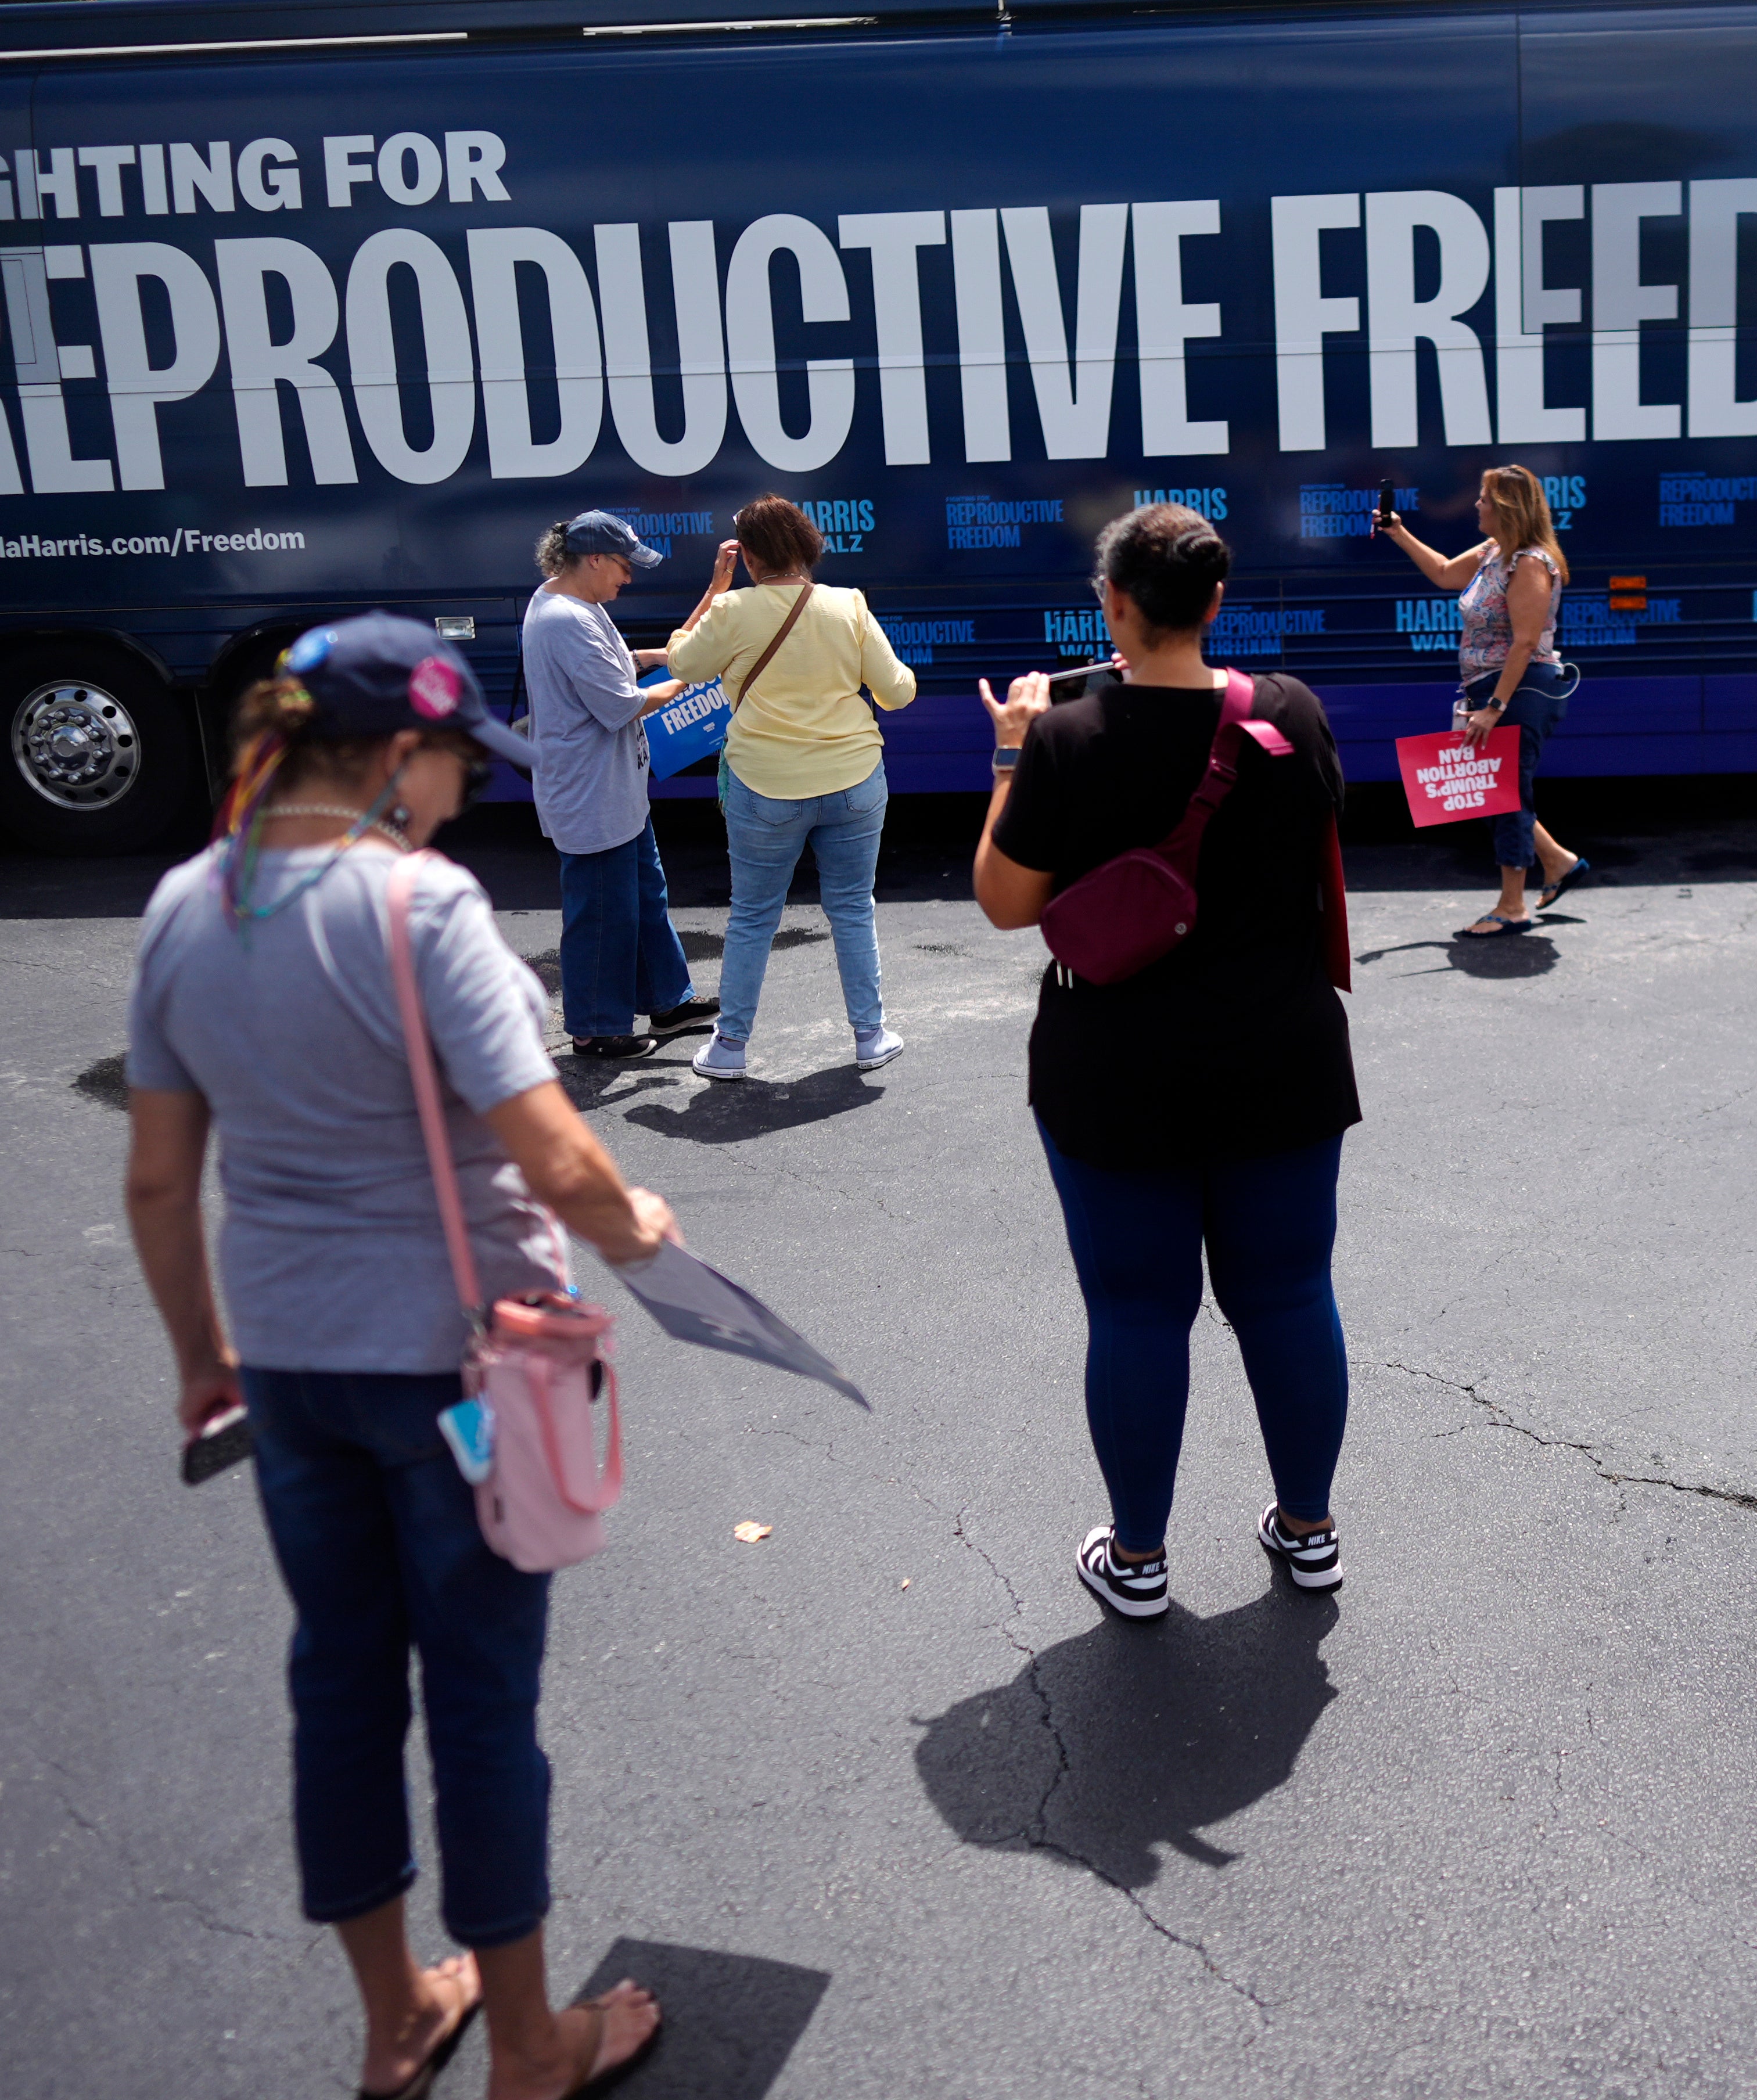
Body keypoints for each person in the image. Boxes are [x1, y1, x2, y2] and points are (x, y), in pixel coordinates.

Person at [123, 612, 668, 2100]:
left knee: (342, 1687)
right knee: (481, 1704)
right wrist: (641, 1223)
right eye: (454, 763)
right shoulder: (421, 911)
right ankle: (533, 2046)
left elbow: (162, 1183)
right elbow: (555, 1159)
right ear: (391, 755)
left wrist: (202, 1356)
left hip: (289, 1372)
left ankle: (393, 2020)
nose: (465, 794)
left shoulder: (188, 904)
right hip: (455, 1373)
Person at [970, 504, 1359, 1619]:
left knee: (1139, 1313)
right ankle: (1310, 1531)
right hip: (1282, 1056)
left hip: (1117, 1070)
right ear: (1216, 603)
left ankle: (1137, 1562)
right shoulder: (1291, 712)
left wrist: (1009, 754)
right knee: (1289, 1295)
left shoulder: (1066, 740)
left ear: (1117, 608)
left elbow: (1006, 903)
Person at [659, 494, 920, 1080]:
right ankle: (871, 1036)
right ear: (807, 545)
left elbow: (681, 663)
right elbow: (897, 692)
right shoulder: (848, 606)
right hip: (854, 778)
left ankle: (730, 1049)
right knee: (853, 908)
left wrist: (713, 591)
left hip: (765, 783)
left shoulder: (733, 612)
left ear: (748, 558)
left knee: (754, 915)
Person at [1377, 464, 1590, 938]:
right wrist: (1398, 532)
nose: (1477, 505)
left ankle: (1512, 907)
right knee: (1491, 789)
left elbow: (1524, 641)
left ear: (1508, 508)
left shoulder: (1529, 563)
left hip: (1519, 691)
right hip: (1491, 689)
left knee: (1508, 796)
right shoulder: (1496, 551)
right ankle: (1560, 864)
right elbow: (1444, 573)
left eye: (1485, 499)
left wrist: (1494, 707)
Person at [521, 510, 703, 1062]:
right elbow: (619, 702)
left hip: (613, 788)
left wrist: (656, 657)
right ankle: (596, 1029)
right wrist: (688, 678)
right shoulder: (566, 620)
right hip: (591, 793)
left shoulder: (568, 602)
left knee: (645, 896)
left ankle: (667, 1001)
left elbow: (613, 664)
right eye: (624, 565)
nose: (629, 578)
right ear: (594, 559)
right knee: (602, 913)